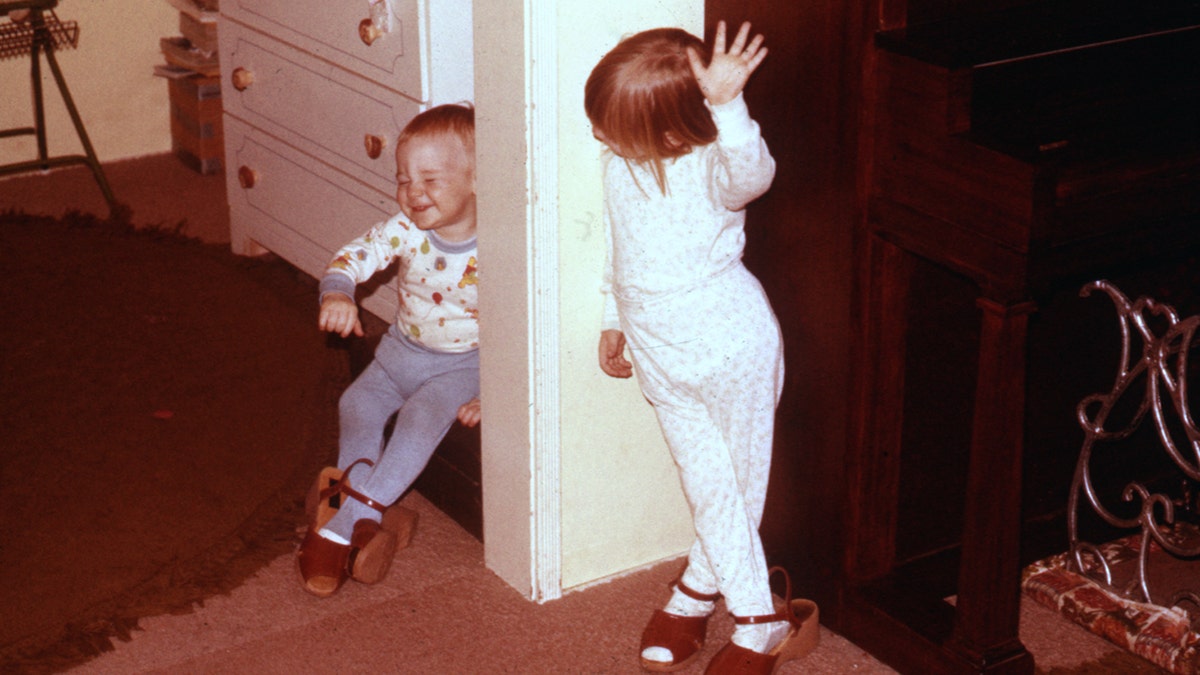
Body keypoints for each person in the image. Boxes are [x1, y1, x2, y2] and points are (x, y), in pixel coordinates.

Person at [585, 21, 818, 674]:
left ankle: (754, 618)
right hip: (662, 358)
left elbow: (755, 175)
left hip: (731, 349)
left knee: (730, 490)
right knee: (710, 487)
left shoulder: (712, 166)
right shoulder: (619, 166)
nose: (598, 137)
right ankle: (702, 588)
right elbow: (620, 249)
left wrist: (728, 103)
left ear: (667, 133)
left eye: (611, 127)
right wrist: (613, 316)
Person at [296, 103, 481, 598]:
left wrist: (497, 393)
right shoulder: (406, 228)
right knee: (356, 401)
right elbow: (354, 256)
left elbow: (520, 326)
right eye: (403, 180)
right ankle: (369, 516)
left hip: (461, 367)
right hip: (402, 350)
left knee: (419, 420)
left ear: (477, 179)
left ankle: (340, 524)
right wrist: (338, 292)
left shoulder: (499, 246)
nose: (413, 192)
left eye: (430, 180)